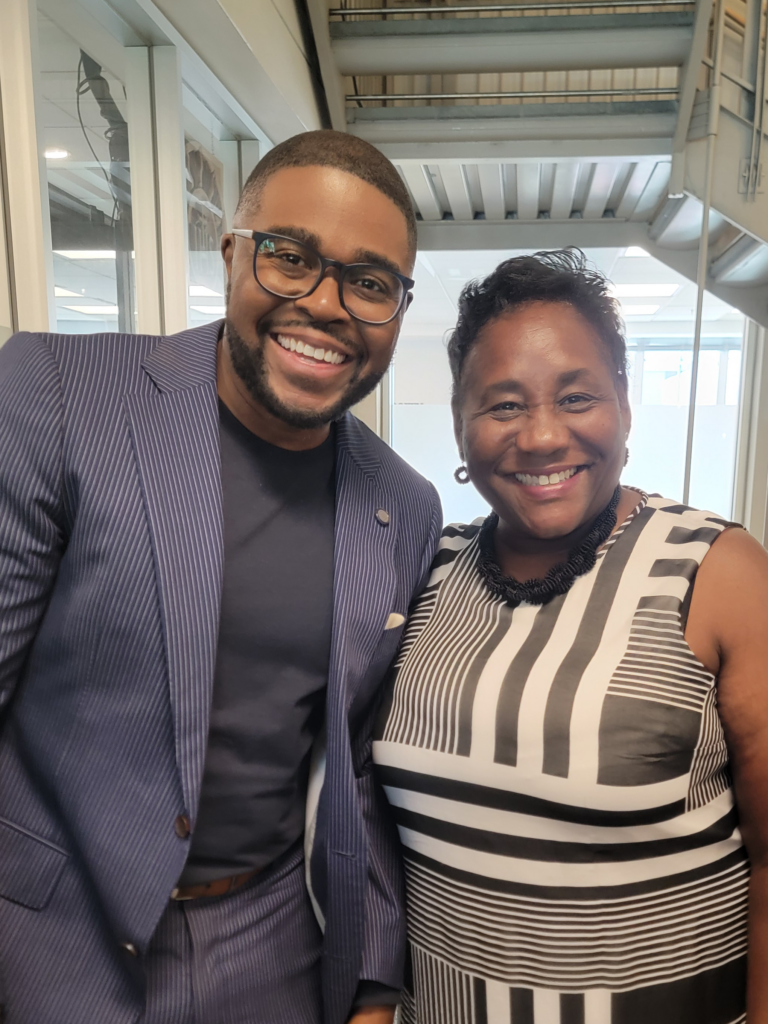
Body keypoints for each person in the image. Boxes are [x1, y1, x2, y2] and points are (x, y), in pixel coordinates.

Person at [0, 130, 441, 1024]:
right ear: (233, 253)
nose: (326, 304)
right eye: (291, 257)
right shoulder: (53, 395)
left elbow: (355, 767)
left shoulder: (404, 504)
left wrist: (372, 981)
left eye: (370, 282)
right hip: (49, 938)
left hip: (276, 947)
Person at [373, 249, 768, 1024]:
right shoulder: (425, 568)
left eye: (577, 395)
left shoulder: (718, 572)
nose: (543, 437)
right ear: (460, 426)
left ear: (624, 401)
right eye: (504, 405)